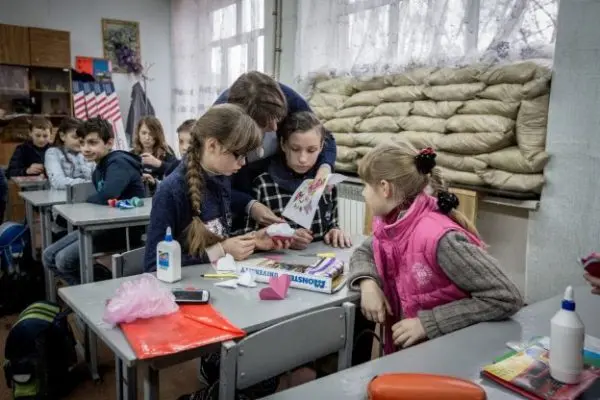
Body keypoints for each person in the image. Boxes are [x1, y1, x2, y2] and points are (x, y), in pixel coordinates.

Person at [348, 142, 523, 354]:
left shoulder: (440, 238)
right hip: (417, 354)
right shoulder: (393, 225)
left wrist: (427, 323)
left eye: (366, 185)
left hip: (450, 355)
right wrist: (368, 284)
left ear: (385, 188)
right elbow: (364, 251)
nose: (363, 193)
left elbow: (506, 296)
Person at [144, 104, 287, 272]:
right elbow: (154, 265)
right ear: (212, 146)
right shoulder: (171, 191)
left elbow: (218, 237)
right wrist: (220, 251)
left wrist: (253, 240)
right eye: (239, 155)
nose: (243, 163)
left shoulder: (222, 176)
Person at [215, 71, 337, 229]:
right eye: (264, 124)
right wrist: (249, 205)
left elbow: (323, 136)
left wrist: (324, 167)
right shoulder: (221, 119)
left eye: (278, 118)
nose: (274, 127)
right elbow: (213, 183)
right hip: (242, 185)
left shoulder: (285, 98)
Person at [42, 117, 146, 285]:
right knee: (48, 256)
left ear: (109, 143)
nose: (85, 149)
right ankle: (98, 282)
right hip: (103, 227)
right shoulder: (99, 167)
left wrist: (90, 199)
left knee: (63, 260)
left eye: (92, 143)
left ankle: (94, 293)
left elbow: (108, 194)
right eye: (82, 143)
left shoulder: (118, 162)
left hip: (123, 230)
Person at [246, 111, 351, 249]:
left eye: (311, 150)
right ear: (283, 145)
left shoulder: (327, 182)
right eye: (295, 149)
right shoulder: (263, 185)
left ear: (321, 147)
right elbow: (247, 236)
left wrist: (335, 231)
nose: (302, 159)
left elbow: (331, 223)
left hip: (318, 261)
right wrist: (285, 238)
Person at [44, 117, 94, 190]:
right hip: (62, 199)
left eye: (83, 138)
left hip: (87, 196)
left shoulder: (88, 152)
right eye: (75, 137)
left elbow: (99, 177)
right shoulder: (53, 153)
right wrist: (88, 183)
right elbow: (58, 182)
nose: (80, 141)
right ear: (62, 136)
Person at [131, 116, 177, 193]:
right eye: (143, 133)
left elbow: (177, 172)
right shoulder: (132, 154)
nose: (147, 138)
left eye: (151, 134)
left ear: (157, 135)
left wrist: (158, 164)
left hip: (162, 195)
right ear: (138, 134)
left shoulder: (166, 151)